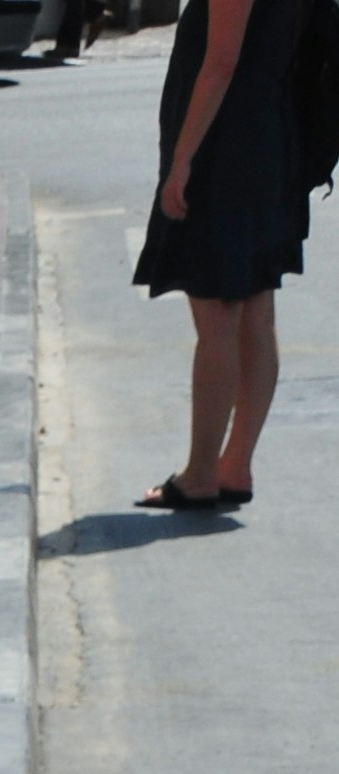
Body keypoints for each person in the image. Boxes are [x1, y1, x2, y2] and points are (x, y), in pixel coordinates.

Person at [133, 0, 306, 503]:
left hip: (227, 146)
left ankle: (201, 474)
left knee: (220, 309)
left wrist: (182, 159)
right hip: (267, 136)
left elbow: (221, 62)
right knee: (254, 304)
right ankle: (234, 466)